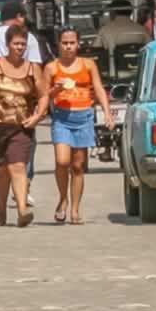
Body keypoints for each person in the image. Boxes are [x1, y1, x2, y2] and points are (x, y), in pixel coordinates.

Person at [0, 26, 51, 227]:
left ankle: (22, 209)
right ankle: (1, 211)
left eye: (23, 44)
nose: (20, 48)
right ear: (7, 45)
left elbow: (43, 95)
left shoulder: (33, 68)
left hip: (22, 127)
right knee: (2, 170)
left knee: (18, 166)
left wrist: (38, 116)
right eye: (16, 44)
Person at [47, 28, 115, 224]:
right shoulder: (52, 68)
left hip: (84, 117)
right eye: (64, 43)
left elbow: (99, 88)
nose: (68, 47)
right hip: (62, 118)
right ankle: (63, 199)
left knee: (78, 166)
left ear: (78, 44)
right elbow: (44, 95)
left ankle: (75, 209)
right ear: (58, 44)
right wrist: (56, 89)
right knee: (62, 161)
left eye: (72, 43)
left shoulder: (88, 65)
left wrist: (107, 112)